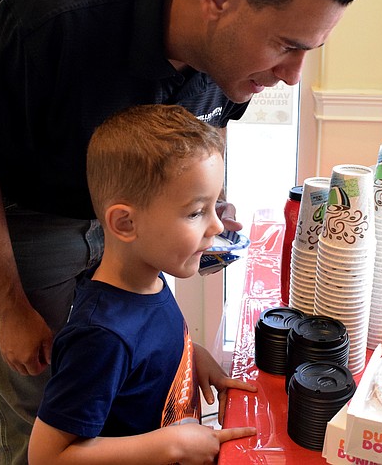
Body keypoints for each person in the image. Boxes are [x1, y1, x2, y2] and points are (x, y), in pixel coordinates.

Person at [0, 0, 362, 462]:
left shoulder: (230, 64)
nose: (291, 76)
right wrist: (10, 306)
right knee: (43, 412)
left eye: (310, 50)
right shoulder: (56, 12)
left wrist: (207, 206)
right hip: (21, 224)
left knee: (124, 388)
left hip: (130, 231)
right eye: (286, 45)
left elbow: (209, 132)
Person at [27, 105, 257, 465]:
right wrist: (171, 445)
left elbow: (144, 348)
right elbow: (47, 456)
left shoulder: (150, 277)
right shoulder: (101, 337)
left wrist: (191, 354)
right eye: (196, 212)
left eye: (215, 206)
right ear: (126, 223)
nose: (215, 226)